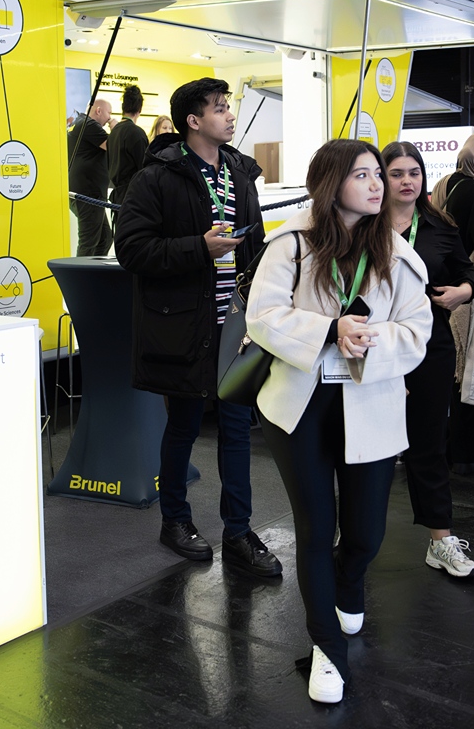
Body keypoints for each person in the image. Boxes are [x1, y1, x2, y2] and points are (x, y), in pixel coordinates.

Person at [246, 139, 432, 704]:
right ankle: (326, 648)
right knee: (313, 527)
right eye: (363, 175)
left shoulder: (398, 254)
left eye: (380, 174)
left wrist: (365, 339)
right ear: (331, 184)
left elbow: (417, 331)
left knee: (367, 532)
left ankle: (348, 586)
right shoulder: (291, 245)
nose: (378, 184)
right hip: (299, 406)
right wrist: (330, 330)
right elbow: (263, 316)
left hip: (369, 399)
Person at [114, 78, 281, 576]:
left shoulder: (239, 172)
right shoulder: (158, 177)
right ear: (193, 120)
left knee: (235, 429)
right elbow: (133, 250)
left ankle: (239, 530)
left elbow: (254, 246)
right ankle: (175, 520)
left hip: (235, 326)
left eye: (229, 107)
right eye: (220, 108)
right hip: (184, 327)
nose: (230, 116)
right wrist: (197, 248)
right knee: (184, 427)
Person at [382, 141, 474, 578]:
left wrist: (464, 292)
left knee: (427, 442)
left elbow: (467, 273)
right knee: (367, 443)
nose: (407, 181)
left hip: (429, 345)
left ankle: (441, 540)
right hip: (376, 346)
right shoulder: (362, 223)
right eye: (397, 173)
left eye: (414, 173)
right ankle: (354, 528)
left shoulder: (440, 224)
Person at [430, 132, 474, 473]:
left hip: (441, 281)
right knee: (466, 367)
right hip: (466, 286)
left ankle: (448, 443)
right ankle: (465, 448)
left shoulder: (448, 183)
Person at [68, 98, 116, 256]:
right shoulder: (89, 125)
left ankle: (95, 275)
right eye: (109, 113)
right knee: (89, 242)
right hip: (88, 193)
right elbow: (113, 146)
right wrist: (116, 127)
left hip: (87, 192)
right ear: (99, 111)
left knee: (105, 239)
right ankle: (80, 279)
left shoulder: (79, 122)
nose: (109, 118)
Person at [107, 84, 148, 217]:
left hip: (117, 197)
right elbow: (144, 169)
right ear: (140, 108)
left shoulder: (113, 133)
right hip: (134, 199)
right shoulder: (137, 133)